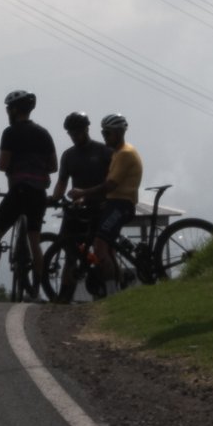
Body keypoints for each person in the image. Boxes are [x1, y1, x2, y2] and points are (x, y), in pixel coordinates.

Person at [0, 89, 57, 301]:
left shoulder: (10, 133)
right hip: (38, 192)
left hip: (19, 190)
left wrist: (0, 165)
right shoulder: (44, 133)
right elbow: (53, 166)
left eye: (8, 109)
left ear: (14, 110)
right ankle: (36, 292)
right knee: (34, 241)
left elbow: (3, 164)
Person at [70, 112, 143, 297]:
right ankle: (115, 289)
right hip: (114, 203)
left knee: (100, 245)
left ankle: (111, 294)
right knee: (107, 246)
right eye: (103, 133)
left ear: (119, 133)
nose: (104, 136)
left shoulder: (125, 153)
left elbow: (110, 185)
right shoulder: (118, 153)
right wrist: (85, 199)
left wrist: (83, 192)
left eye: (108, 133)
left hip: (121, 205)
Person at [48, 111, 113, 302]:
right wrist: (54, 199)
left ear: (86, 129)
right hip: (76, 210)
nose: (74, 137)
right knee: (69, 254)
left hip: (100, 208)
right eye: (71, 134)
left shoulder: (104, 151)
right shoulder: (68, 156)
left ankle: (107, 294)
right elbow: (62, 182)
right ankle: (65, 295)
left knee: (103, 253)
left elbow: (111, 182)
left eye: (77, 132)